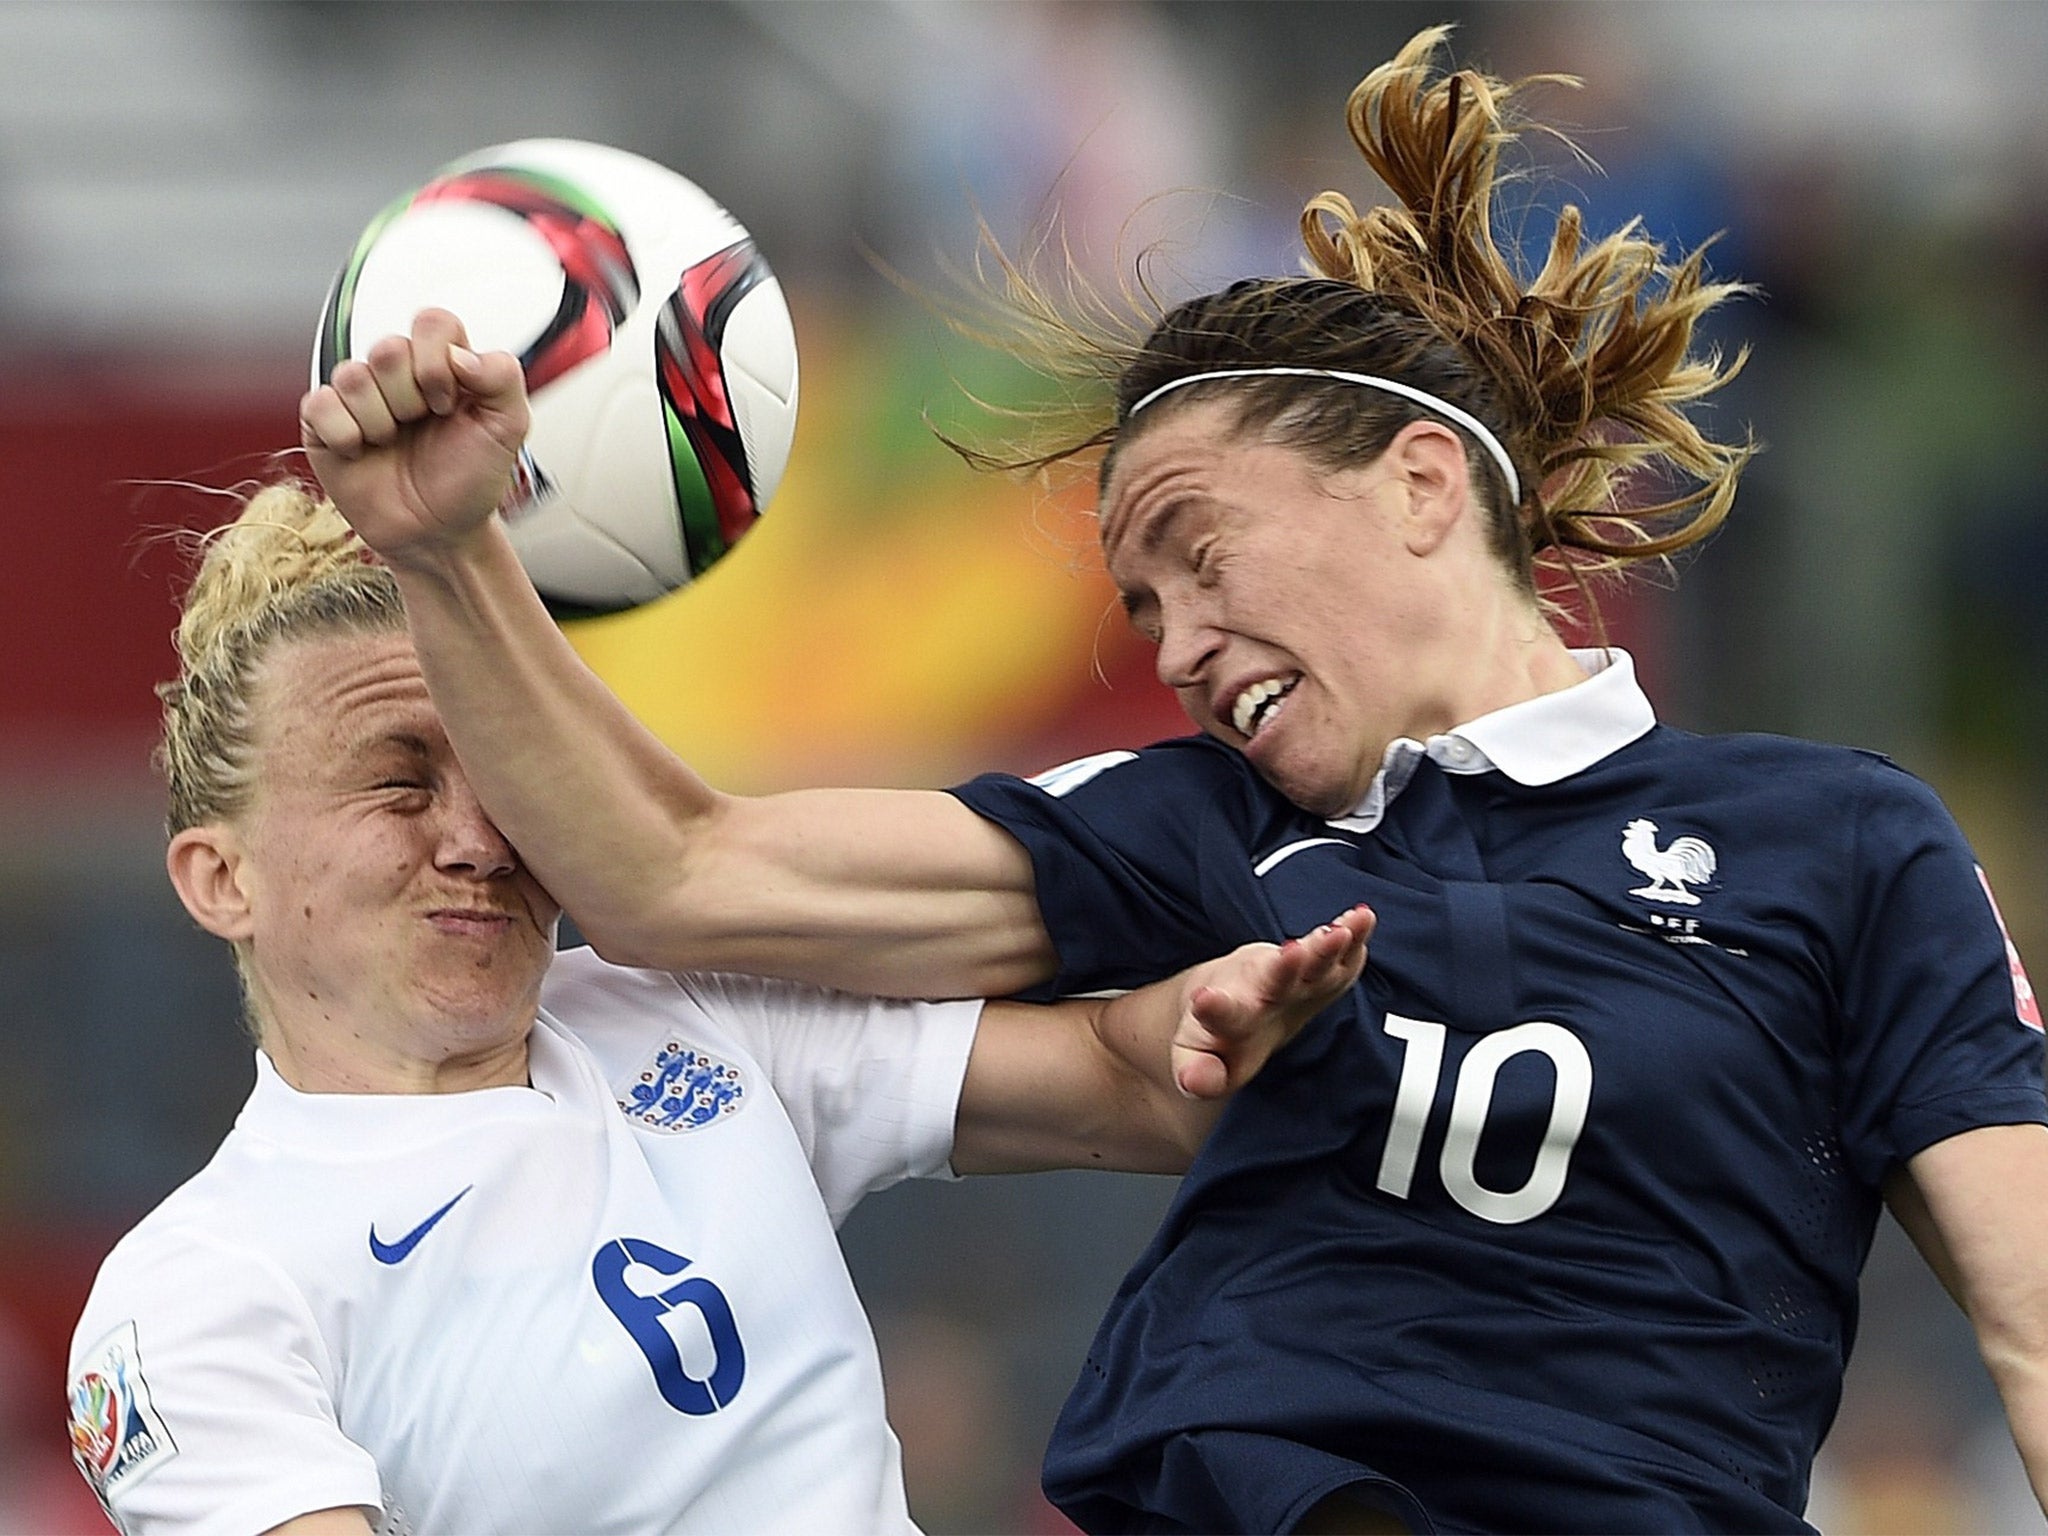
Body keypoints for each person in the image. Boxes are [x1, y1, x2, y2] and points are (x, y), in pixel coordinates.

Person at [298, 25, 2048, 1535]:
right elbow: (678, 875)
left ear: (1425, 487)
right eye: (1143, 602)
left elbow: (2029, 1310)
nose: (1182, 638)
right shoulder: (1207, 826)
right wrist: (453, 558)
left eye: (1201, 553)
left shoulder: (1839, 842)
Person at [63, 480, 1375, 1536]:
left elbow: (1136, 1080)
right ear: (220, 877)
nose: (477, 837)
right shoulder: (194, 1296)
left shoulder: (684, 1018)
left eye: (503, 777)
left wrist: (1210, 1028)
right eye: (399, 786)